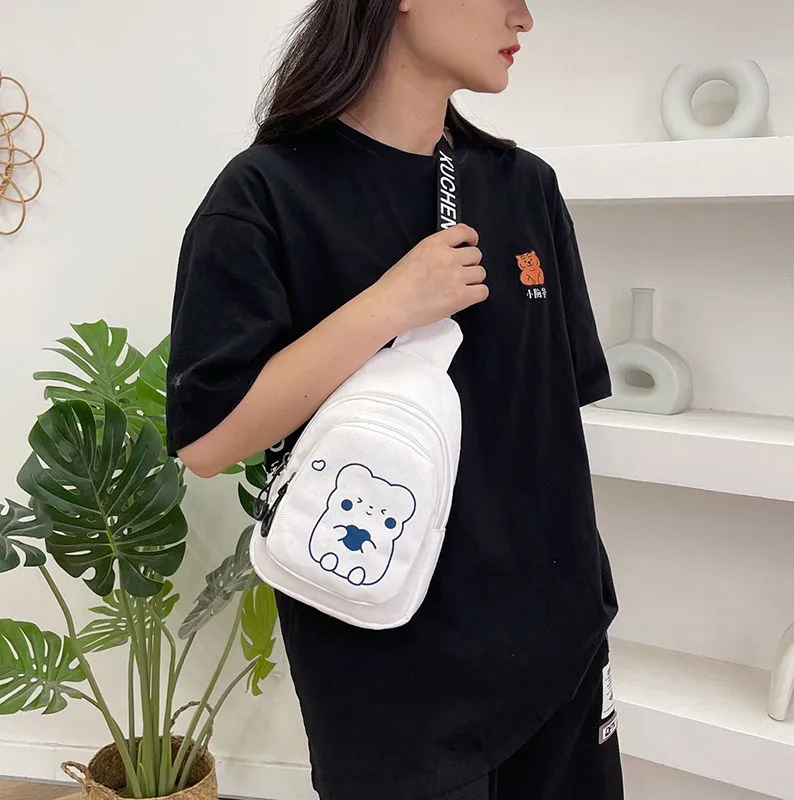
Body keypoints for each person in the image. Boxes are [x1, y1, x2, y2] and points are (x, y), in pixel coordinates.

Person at [165, 1, 622, 798]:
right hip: (388, 678)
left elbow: (549, 421)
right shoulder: (267, 193)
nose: (524, 17)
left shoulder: (524, 188)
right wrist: (386, 307)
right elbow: (208, 443)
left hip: (559, 650)